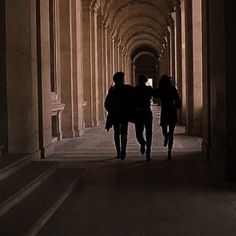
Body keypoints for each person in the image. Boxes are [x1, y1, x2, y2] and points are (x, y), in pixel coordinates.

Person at [104, 72, 133, 160]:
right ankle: (123, 150)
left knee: (116, 133)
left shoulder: (112, 90)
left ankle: (118, 152)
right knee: (124, 132)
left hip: (115, 114)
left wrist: (110, 111)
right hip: (124, 114)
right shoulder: (127, 88)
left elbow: (106, 103)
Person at [157, 75, 181, 160]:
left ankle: (169, 152)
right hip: (171, 111)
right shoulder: (171, 89)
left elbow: (178, 100)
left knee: (167, 131)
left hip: (167, 111)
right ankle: (167, 138)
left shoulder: (164, 90)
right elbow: (178, 101)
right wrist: (177, 106)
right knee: (169, 133)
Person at [133, 74, 153, 161]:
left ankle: (144, 145)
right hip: (146, 112)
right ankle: (147, 149)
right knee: (148, 133)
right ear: (145, 80)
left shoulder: (135, 89)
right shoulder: (149, 89)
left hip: (139, 112)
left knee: (139, 133)